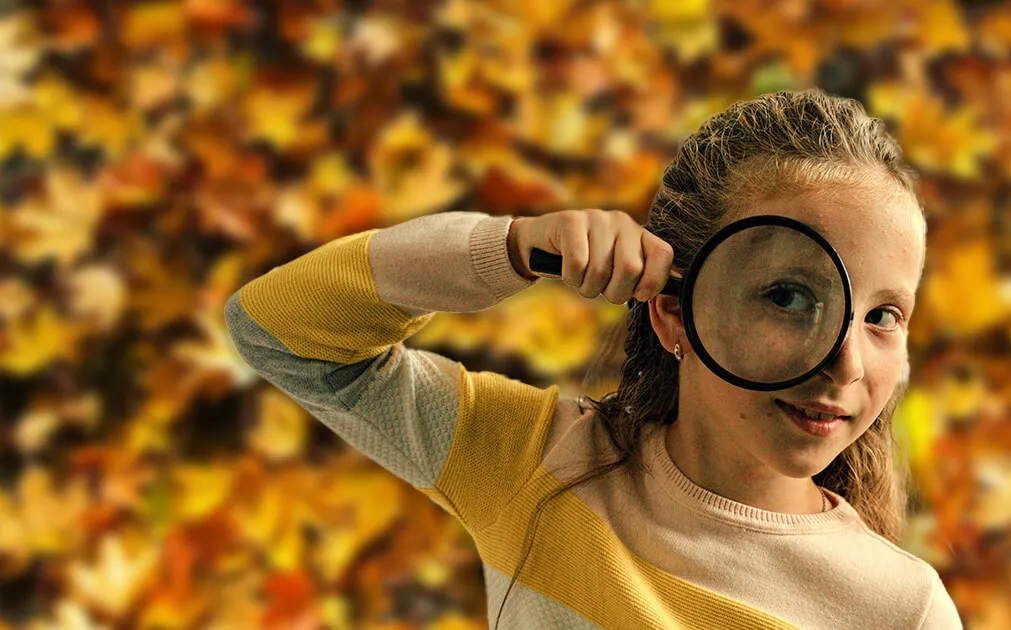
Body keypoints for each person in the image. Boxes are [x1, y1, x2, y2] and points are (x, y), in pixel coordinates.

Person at [226, 88, 964, 629]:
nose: (846, 363)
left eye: (883, 316)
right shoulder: (538, 464)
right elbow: (276, 328)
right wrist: (512, 248)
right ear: (675, 313)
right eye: (788, 297)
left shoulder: (904, 611)